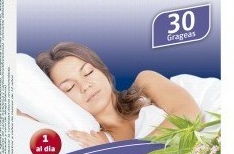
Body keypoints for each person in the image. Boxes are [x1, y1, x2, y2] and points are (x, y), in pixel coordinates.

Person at [35, 42, 199, 147]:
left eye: (88, 72)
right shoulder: (94, 141)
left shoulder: (145, 83)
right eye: (70, 87)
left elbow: (188, 115)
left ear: (102, 70)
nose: (85, 86)